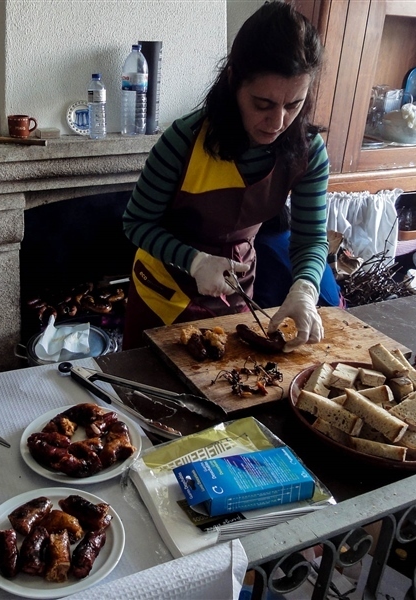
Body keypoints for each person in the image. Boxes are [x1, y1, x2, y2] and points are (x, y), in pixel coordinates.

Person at [122, 1, 329, 350]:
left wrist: (305, 289)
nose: (278, 122)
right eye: (263, 104)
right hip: (162, 293)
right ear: (234, 80)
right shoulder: (183, 140)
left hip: (234, 290)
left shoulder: (309, 151)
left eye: (294, 104)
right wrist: (195, 261)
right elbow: (136, 223)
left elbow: (310, 239)